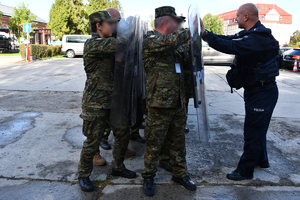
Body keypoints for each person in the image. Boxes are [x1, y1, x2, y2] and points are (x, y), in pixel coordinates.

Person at [201, 3, 279, 181]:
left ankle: (245, 170)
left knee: (253, 131)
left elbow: (230, 47)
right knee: (258, 129)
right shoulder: (251, 35)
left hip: (262, 92)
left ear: (246, 17)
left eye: (237, 16)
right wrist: (207, 35)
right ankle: (262, 160)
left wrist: (205, 35)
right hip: (257, 91)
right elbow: (228, 39)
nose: (235, 19)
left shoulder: (258, 38)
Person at [78, 10, 137, 192]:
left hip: (114, 100)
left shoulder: (107, 45)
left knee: (123, 132)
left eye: (115, 23)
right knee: (93, 140)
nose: (114, 26)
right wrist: (132, 29)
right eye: (110, 23)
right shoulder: (93, 44)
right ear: (98, 26)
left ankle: (118, 166)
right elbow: (122, 43)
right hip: (96, 102)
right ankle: (84, 174)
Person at [142, 6, 196, 197]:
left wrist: (191, 47)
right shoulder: (150, 40)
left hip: (178, 101)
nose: (179, 24)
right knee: (154, 142)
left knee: (178, 141)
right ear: (165, 21)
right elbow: (169, 41)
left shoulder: (175, 44)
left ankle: (180, 173)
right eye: (177, 21)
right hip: (159, 102)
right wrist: (193, 29)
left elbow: (189, 62)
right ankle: (148, 175)